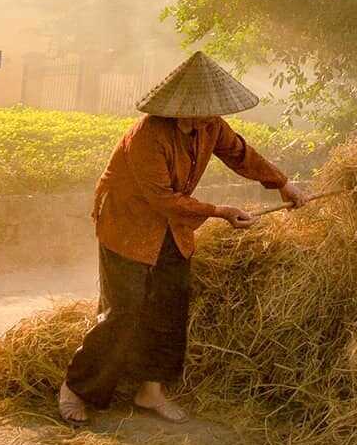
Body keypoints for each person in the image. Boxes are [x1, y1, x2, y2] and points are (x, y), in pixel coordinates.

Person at [58, 51, 306, 423]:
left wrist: (281, 184)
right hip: (128, 224)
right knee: (123, 310)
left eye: (212, 110)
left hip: (173, 226)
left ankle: (150, 391)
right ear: (179, 108)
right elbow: (161, 199)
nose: (207, 116)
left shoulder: (211, 127)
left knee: (169, 306)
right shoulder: (147, 136)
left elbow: (240, 154)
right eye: (200, 109)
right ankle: (77, 388)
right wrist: (219, 212)